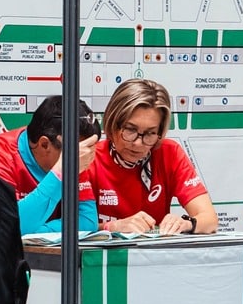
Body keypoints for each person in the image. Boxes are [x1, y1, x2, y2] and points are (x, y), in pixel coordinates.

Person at [81, 78, 219, 235]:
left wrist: (186, 224)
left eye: (150, 133)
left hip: (153, 257)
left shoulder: (169, 152)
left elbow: (209, 220)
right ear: (112, 124)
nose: (139, 143)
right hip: (97, 258)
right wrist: (112, 227)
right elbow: (61, 229)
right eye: (130, 130)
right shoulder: (88, 159)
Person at [0, 95, 98, 235]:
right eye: (80, 151)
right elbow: (6, 228)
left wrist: (34, 231)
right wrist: (61, 173)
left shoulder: (73, 151)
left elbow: (87, 222)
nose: (87, 158)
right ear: (44, 144)